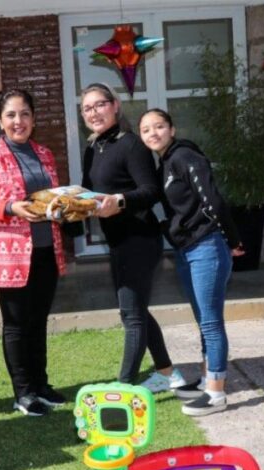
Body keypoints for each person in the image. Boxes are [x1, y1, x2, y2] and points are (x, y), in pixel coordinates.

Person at [0, 89, 68, 417]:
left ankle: (41, 385)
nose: (18, 121)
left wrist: (66, 207)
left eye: (24, 114)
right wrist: (11, 207)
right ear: (0, 121)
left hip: (45, 250)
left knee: (38, 322)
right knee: (16, 325)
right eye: (11, 115)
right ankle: (22, 393)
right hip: (9, 256)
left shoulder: (45, 154)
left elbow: (52, 198)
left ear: (34, 118)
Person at [80, 83, 185, 392]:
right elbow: (91, 193)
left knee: (132, 315)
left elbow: (151, 190)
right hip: (118, 240)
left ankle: (123, 388)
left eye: (100, 105)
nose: (94, 112)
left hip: (139, 238)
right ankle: (167, 373)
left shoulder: (131, 144)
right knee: (136, 309)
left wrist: (120, 201)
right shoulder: (93, 148)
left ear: (115, 106)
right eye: (87, 108)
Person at [138, 109, 243, 415]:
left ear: (171, 128)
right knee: (203, 320)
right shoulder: (165, 164)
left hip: (206, 246)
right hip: (187, 249)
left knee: (211, 322)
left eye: (159, 126)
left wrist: (234, 241)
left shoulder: (185, 157)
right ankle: (208, 379)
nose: (153, 133)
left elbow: (213, 200)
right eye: (146, 130)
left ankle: (216, 394)